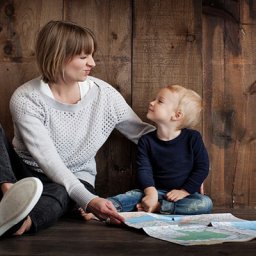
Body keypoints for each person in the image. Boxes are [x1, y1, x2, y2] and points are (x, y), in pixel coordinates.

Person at [0, 20, 155, 238]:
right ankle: (9, 196)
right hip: (22, 172)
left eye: (91, 55)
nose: (92, 63)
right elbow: (49, 161)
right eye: (83, 57)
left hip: (74, 178)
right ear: (57, 56)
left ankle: (22, 222)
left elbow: (143, 133)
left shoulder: (104, 95)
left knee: (64, 191)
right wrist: (89, 202)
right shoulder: (26, 98)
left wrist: (188, 166)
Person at [107, 85, 213, 215]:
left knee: (205, 203)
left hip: (184, 196)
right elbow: (144, 169)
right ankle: (103, 208)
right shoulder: (146, 141)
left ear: (177, 115)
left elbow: (202, 167)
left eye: (160, 101)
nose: (152, 103)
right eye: (154, 99)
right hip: (155, 191)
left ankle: (159, 207)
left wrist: (184, 191)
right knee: (131, 196)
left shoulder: (193, 138)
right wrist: (150, 193)